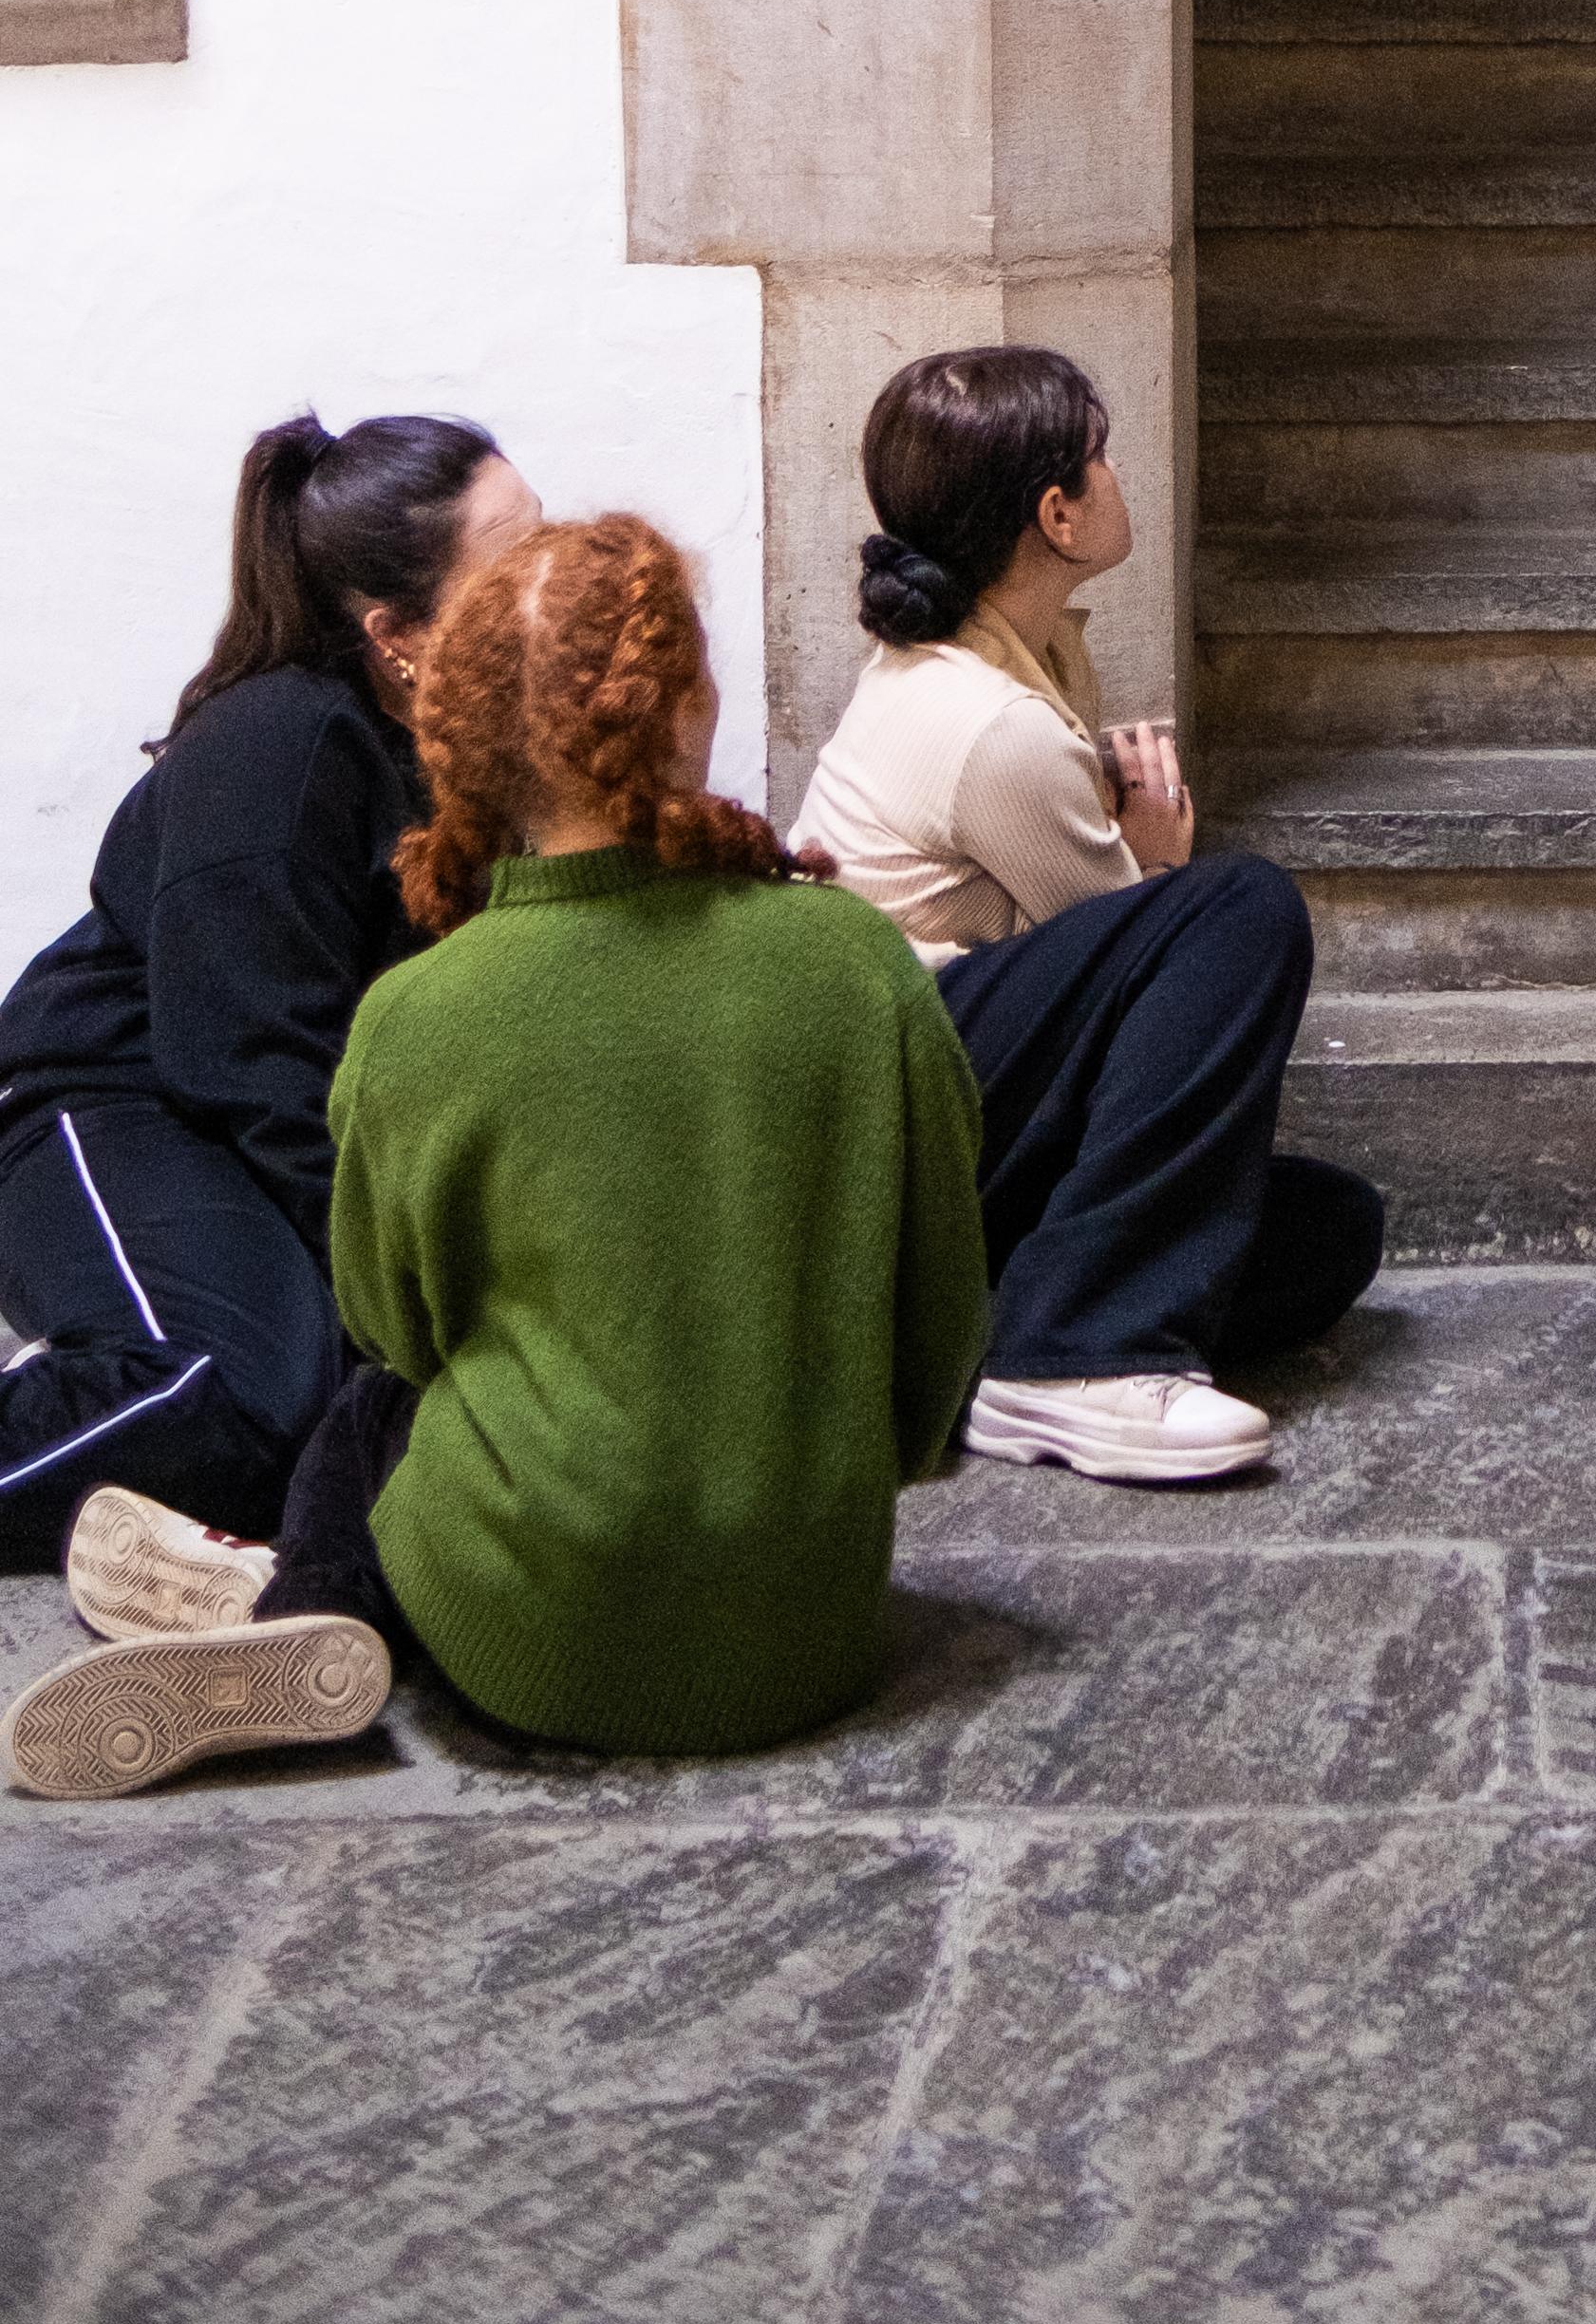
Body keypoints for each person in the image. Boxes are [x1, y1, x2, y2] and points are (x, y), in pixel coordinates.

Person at [8, 510, 989, 1799]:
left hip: (534, 1648)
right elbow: (939, 1321)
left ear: (456, 740)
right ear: (690, 703)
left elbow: (393, 1326)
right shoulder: (858, 966)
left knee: (369, 1411)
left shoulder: (419, 1020)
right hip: (810, 1631)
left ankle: (312, 1603)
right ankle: (273, 1589)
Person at [791, 346, 1379, 1485]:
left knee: (1326, 1228)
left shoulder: (1017, 655)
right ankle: (1073, 1356)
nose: (1118, 477)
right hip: (897, 1099)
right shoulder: (990, 723)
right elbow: (1153, 1007)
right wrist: (1162, 871)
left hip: (950, 1090)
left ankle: (959, 1339)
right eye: (1099, 459)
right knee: (1240, 910)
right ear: (1056, 514)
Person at [0, 413, 540, 1581]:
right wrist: (408, 1283)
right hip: (105, 1099)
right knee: (242, 1386)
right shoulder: (282, 744)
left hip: (253, 1111)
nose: (557, 585)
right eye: (516, 567)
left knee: (339, 1394)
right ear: (398, 634)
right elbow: (249, 1062)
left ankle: (188, 1547)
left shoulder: (486, 748)